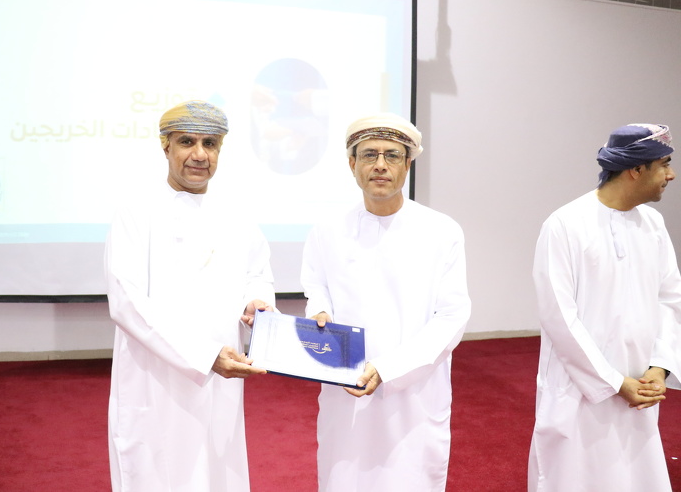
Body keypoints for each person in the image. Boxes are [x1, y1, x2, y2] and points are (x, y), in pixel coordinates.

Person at [105, 100, 275, 492]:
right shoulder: (136, 212)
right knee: (158, 472)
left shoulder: (235, 214)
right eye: (187, 142)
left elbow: (257, 275)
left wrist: (256, 302)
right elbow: (126, 302)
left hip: (222, 374)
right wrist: (204, 356)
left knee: (217, 470)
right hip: (155, 376)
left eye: (210, 144)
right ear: (165, 146)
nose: (200, 155)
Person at [300, 113, 471, 491]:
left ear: (407, 164)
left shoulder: (441, 231)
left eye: (392, 155)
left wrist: (391, 368)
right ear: (352, 164)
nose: (380, 165)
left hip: (414, 394)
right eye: (369, 155)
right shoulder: (327, 230)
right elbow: (316, 286)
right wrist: (319, 312)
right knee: (344, 477)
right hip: (345, 390)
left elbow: (452, 315)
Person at [528, 123, 681, 491]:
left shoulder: (653, 224)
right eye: (664, 164)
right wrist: (612, 381)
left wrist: (659, 367)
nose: (671, 175)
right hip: (579, 390)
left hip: (640, 386)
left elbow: (669, 299)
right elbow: (558, 316)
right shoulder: (564, 225)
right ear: (636, 169)